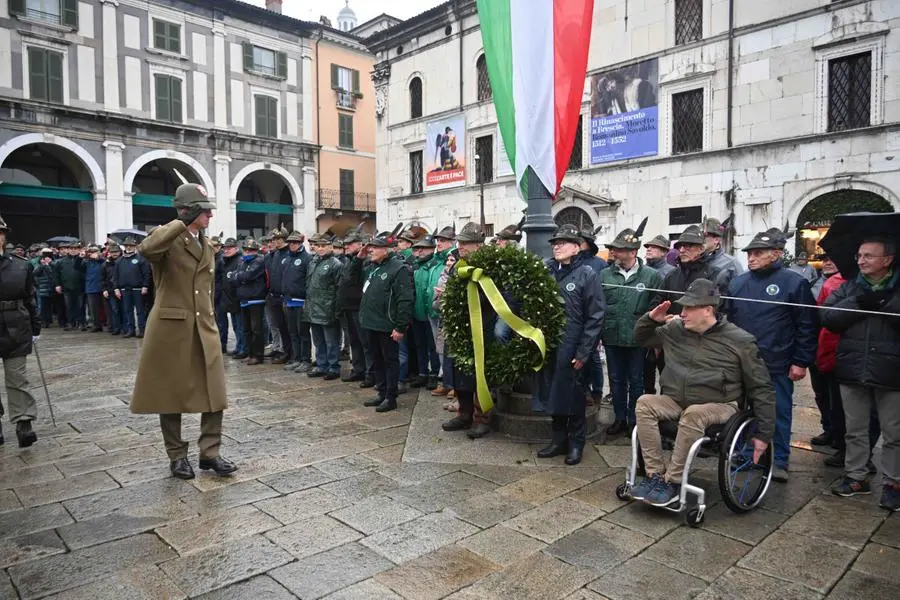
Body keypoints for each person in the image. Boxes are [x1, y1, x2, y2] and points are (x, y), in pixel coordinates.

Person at [630, 279, 776, 506]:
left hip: (721, 404)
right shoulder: (675, 328)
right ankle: (655, 475)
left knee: (695, 413)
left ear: (708, 310)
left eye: (689, 308)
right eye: (683, 307)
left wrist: (764, 435)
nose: (683, 312)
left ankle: (674, 481)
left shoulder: (739, 340)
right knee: (645, 402)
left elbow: (761, 387)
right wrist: (650, 320)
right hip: (677, 400)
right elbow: (641, 338)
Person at [130, 184, 236, 479]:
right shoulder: (167, 240)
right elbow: (147, 249)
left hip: (204, 326)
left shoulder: (207, 244)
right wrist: (180, 221)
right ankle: (177, 456)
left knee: (215, 392)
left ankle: (210, 453)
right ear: (190, 211)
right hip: (171, 328)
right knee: (170, 394)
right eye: (205, 210)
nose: (211, 215)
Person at [726, 230, 818, 483]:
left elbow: (807, 325)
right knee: (747, 410)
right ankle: (748, 453)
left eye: (758, 253)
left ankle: (778, 459)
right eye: (749, 254)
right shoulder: (738, 283)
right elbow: (728, 320)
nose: (751, 258)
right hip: (743, 361)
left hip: (777, 361)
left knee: (778, 412)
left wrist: (801, 361)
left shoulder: (793, 283)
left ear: (776, 254)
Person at [823, 236, 900, 511]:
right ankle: (856, 476)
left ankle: (894, 483)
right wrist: (858, 303)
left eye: (868, 255)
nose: (861, 260)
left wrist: (887, 304)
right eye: (859, 255)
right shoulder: (851, 286)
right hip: (853, 367)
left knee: (894, 432)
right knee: (854, 429)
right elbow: (828, 317)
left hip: (892, 370)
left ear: (887, 260)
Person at [534, 225, 606, 465]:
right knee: (553, 393)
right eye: (555, 242)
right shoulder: (546, 271)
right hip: (550, 344)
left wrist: (584, 352)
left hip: (573, 345)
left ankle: (576, 444)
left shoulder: (587, 274)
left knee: (574, 396)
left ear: (576, 247)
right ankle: (558, 441)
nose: (557, 246)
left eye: (563, 242)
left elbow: (595, 317)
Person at [602, 226, 662, 436]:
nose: (614, 253)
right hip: (612, 337)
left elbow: (657, 307)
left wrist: (653, 339)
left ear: (632, 252)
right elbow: (600, 306)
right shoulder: (604, 275)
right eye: (614, 249)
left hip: (638, 339)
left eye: (618, 250)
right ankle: (619, 419)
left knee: (636, 382)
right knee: (616, 380)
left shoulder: (651, 276)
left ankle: (635, 421)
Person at [441, 223, 495, 438]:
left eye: (465, 243)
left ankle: (482, 418)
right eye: (460, 242)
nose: (460, 246)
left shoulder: (490, 265)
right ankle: (465, 414)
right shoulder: (458, 266)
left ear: (478, 245)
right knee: (459, 371)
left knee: (479, 374)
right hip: (459, 325)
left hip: (483, 325)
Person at [0, 213, 42, 447]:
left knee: (17, 376)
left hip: (15, 323)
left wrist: (36, 326)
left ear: (4, 237)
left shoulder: (20, 266)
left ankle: (23, 421)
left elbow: (30, 298)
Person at [359, 233, 414, 412]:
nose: (370, 250)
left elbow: (405, 300)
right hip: (370, 323)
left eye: (374, 247)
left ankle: (391, 397)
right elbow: (352, 277)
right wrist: (356, 260)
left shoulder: (398, 268)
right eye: (370, 247)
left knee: (390, 361)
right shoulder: (372, 266)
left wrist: (400, 326)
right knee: (377, 359)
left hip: (387, 324)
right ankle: (381, 392)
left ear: (386, 249)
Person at [305, 233, 343, 380]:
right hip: (314, 307)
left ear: (330, 247)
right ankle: (321, 365)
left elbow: (339, 288)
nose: (319, 249)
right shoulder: (314, 262)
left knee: (331, 341)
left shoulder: (335, 264)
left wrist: (335, 308)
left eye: (323, 246)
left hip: (328, 308)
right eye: (318, 246)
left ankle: (333, 367)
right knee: (318, 340)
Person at [336, 230, 368, 382]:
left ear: (359, 244)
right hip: (348, 307)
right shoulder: (348, 259)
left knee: (364, 342)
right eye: (346, 244)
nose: (346, 246)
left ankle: (369, 371)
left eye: (350, 244)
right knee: (354, 341)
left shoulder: (365, 260)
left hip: (359, 306)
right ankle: (358, 368)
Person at [411, 234, 441, 389]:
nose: (420, 251)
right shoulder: (416, 266)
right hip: (417, 312)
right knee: (419, 345)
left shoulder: (435, 265)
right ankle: (422, 373)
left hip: (430, 312)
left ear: (432, 249)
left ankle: (434, 374)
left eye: (424, 248)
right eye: (418, 248)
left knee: (432, 346)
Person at [232, 238, 267, 365]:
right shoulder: (242, 262)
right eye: (246, 250)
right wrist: (240, 276)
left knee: (256, 329)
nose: (248, 252)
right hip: (244, 298)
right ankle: (250, 353)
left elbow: (248, 275)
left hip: (256, 299)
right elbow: (234, 277)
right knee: (247, 329)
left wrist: (239, 276)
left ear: (255, 251)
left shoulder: (259, 261)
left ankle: (258, 355)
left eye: (251, 250)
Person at [282, 231, 313, 373]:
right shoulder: (287, 258)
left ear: (300, 243)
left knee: (303, 333)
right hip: (288, 301)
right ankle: (296, 358)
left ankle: (306, 360)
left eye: (295, 242)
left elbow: (309, 280)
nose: (292, 245)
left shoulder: (307, 258)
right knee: (293, 332)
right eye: (290, 242)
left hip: (301, 301)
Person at [264, 226, 291, 364]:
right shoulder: (275, 255)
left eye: (277, 239)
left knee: (288, 327)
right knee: (279, 325)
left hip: (284, 296)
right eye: (274, 239)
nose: (274, 241)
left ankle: (290, 352)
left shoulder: (287, 254)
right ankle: (284, 350)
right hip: (273, 295)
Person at [114, 237, 151, 338]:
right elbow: (115, 276)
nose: (129, 247)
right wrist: (116, 288)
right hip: (124, 290)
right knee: (128, 310)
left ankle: (142, 330)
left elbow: (146, 274)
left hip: (138, 289)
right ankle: (131, 330)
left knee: (140, 311)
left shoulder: (141, 259)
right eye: (127, 246)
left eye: (131, 246)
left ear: (135, 247)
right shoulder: (119, 261)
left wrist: (145, 286)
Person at [218, 238, 247, 358]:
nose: (226, 250)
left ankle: (243, 348)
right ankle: (238, 347)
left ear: (236, 248)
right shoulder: (225, 261)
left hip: (238, 298)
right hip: (229, 298)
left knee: (241, 326)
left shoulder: (239, 261)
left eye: (229, 248)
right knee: (235, 326)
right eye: (225, 248)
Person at [53, 241, 86, 331]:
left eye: (75, 249)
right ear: (68, 250)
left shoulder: (83, 260)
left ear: (79, 250)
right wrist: (57, 285)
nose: (73, 250)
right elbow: (56, 274)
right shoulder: (61, 261)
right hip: (67, 286)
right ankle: (71, 323)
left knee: (80, 306)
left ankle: (81, 323)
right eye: (71, 249)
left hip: (80, 286)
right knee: (69, 306)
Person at [703, 217, 743, 284]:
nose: (700, 239)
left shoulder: (732, 263)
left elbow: (740, 289)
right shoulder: (694, 261)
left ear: (716, 240)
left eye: (704, 236)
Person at [84, 245, 105, 332]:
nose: (93, 254)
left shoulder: (102, 261)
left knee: (106, 308)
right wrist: (82, 256)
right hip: (91, 288)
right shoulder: (86, 262)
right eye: (91, 252)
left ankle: (109, 324)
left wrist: (99, 258)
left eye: (95, 252)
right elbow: (77, 267)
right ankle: (96, 325)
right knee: (93, 309)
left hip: (102, 287)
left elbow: (105, 263)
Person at [33, 249, 56, 328]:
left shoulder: (53, 263)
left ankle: (49, 320)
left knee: (50, 305)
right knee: (43, 305)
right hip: (42, 287)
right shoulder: (39, 263)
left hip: (52, 287)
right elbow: (35, 273)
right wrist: (43, 265)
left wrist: (48, 264)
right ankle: (44, 321)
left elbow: (52, 274)